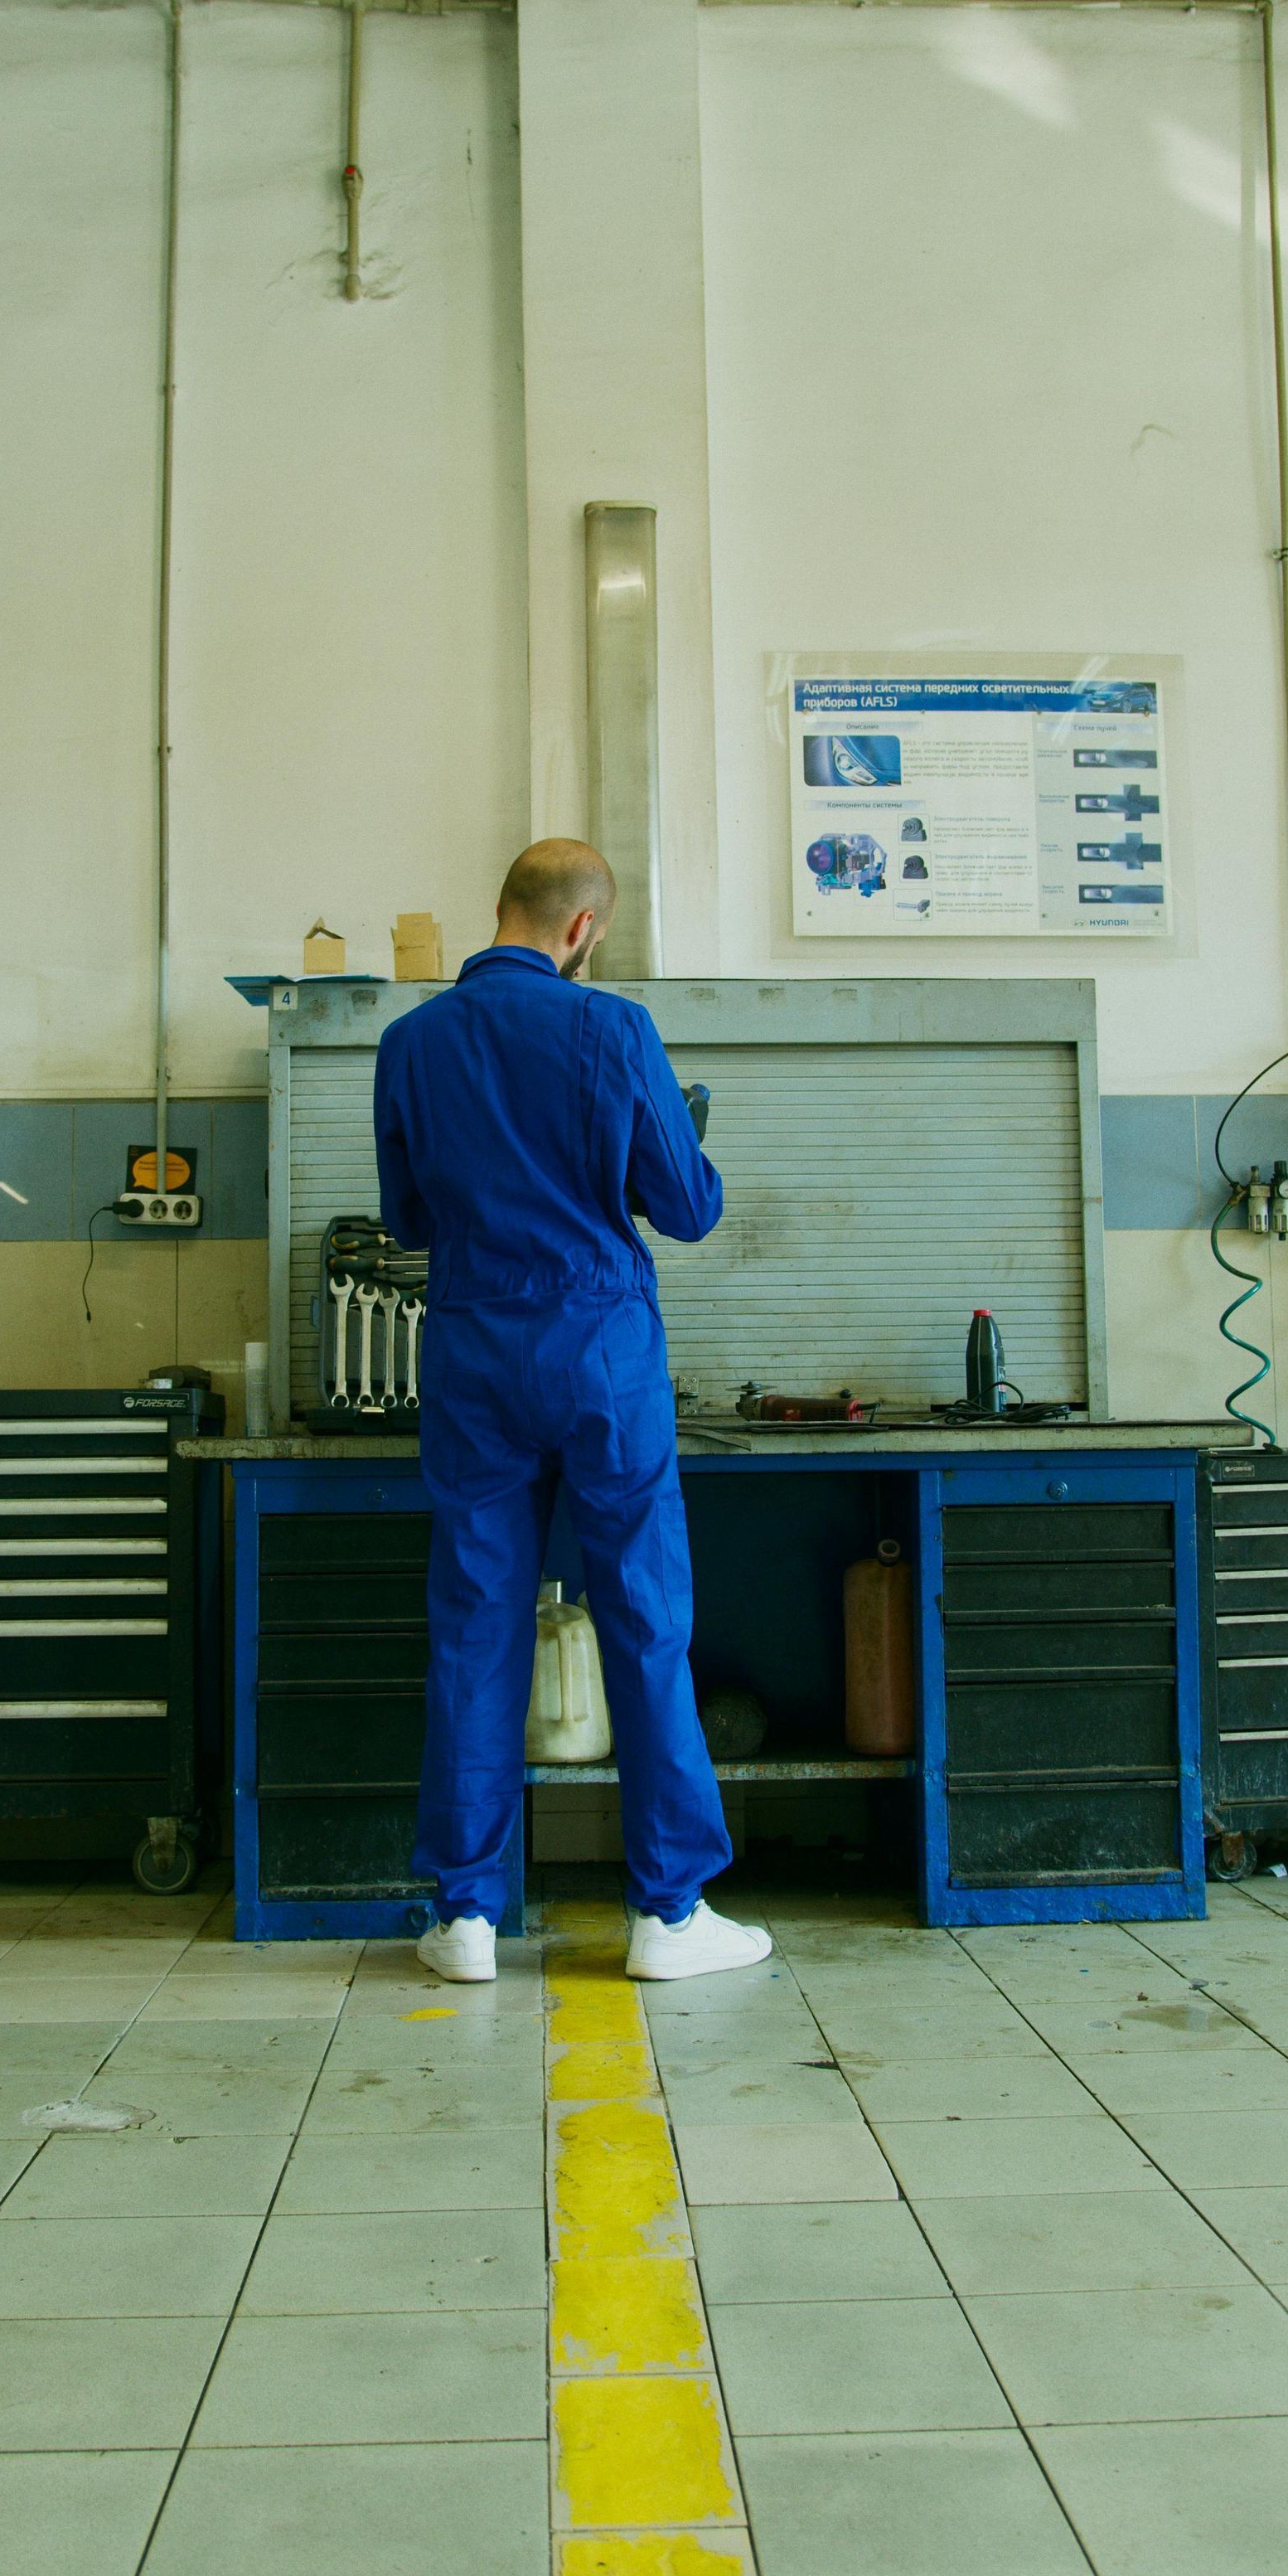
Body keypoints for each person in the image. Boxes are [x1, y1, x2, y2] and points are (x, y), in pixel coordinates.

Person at [373, 837, 772, 1986]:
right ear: (584, 931)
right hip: (598, 1347)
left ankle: (464, 1915)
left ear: (501, 909)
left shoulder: (410, 1046)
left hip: (470, 1352)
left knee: (474, 1620)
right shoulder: (614, 1032)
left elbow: (406, 1219)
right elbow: (686, 1207)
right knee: (642, 1615)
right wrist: (679, 1128)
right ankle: (669, 1912)